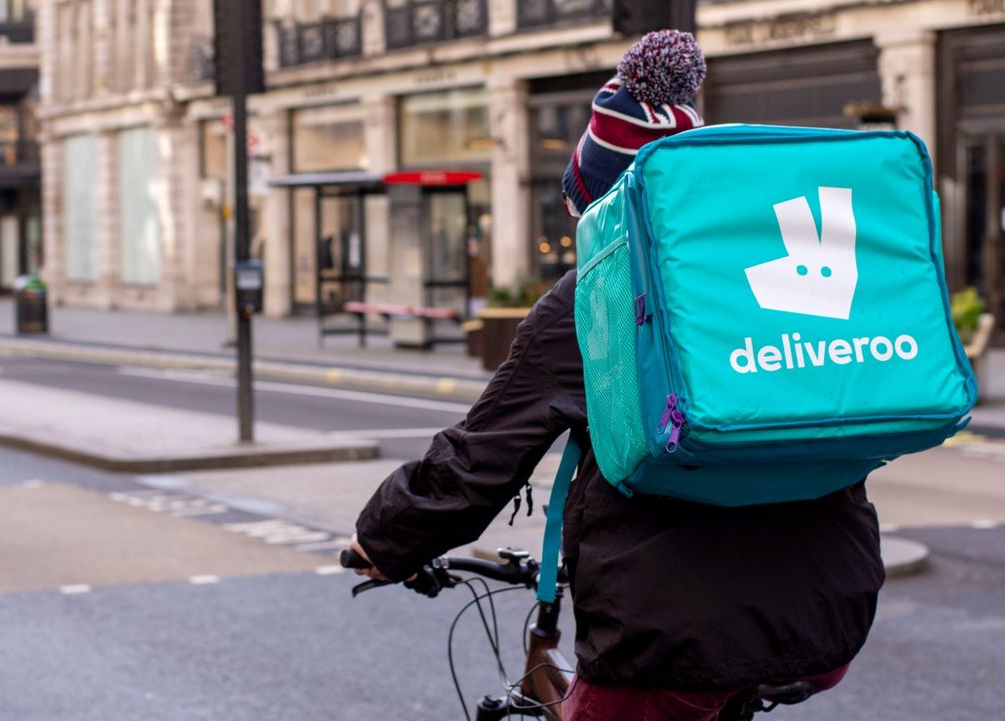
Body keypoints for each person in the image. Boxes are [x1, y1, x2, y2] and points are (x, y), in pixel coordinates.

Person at [350, 30, 884, 721]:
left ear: (602, 206)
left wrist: (383, 540)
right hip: (827, 604)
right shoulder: (765, 278)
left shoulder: (594, 298)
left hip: (669, 630)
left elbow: (482, 456)